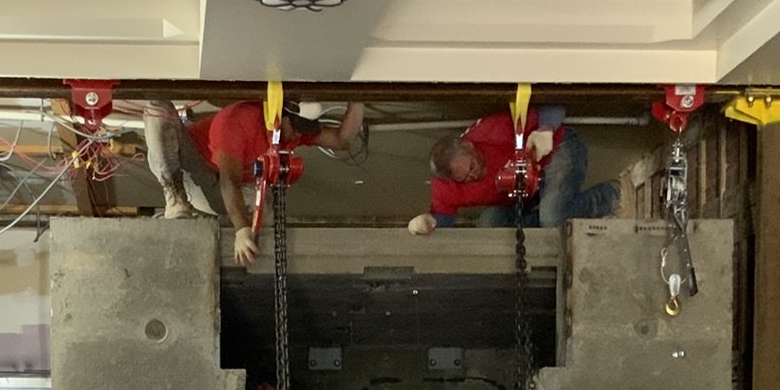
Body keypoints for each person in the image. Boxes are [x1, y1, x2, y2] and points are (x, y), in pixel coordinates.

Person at [145, 99, 366, 264]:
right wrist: (241, 229)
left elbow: (341, 140)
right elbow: (228, 181)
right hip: (191, 173)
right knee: (158, 110)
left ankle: (227, 231)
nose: (296, 137)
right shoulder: (238, 122)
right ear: (281, 117)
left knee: (265, 207)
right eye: (294, 129)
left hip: (222, 196)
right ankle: (175, 200)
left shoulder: (295, 131)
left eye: (301, 131)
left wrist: (358, 98)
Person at [406, 105, 619, 234]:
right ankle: (553, 218)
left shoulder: (492, 130)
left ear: (470, 146)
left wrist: (545, 129)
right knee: (491, 225)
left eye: (472, 166)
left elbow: (553, 105)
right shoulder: (446, 187)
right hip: (526, 190)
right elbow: (442, 217)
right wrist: (429, 223)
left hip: (557, 150)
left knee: (553, 217)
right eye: (466, 178)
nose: (474, 175)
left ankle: (615, 195)